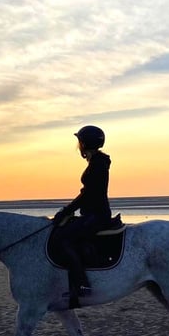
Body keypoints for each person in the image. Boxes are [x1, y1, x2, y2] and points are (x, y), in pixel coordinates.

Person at [52, 125, 112, 307]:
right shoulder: (96, 162)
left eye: (80, 142)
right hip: (91, 213)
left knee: (63, 239)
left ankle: (82, 284)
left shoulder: (98, 164)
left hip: (97, 215)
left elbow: (87, 193)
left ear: (85, 143)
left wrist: (67, 210)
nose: (78, 146)